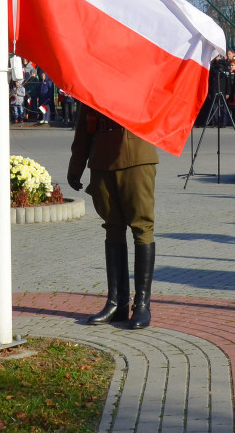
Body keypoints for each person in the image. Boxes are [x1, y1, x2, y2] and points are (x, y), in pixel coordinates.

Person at [67, 104, 158, 330]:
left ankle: (142, 305)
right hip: (102, 158)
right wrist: (77, 162)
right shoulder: (94, 77)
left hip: (136, 155)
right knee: (112, 227)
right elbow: (84, 121)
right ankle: (117, 303)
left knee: (141, 227)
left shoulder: (142, 71)